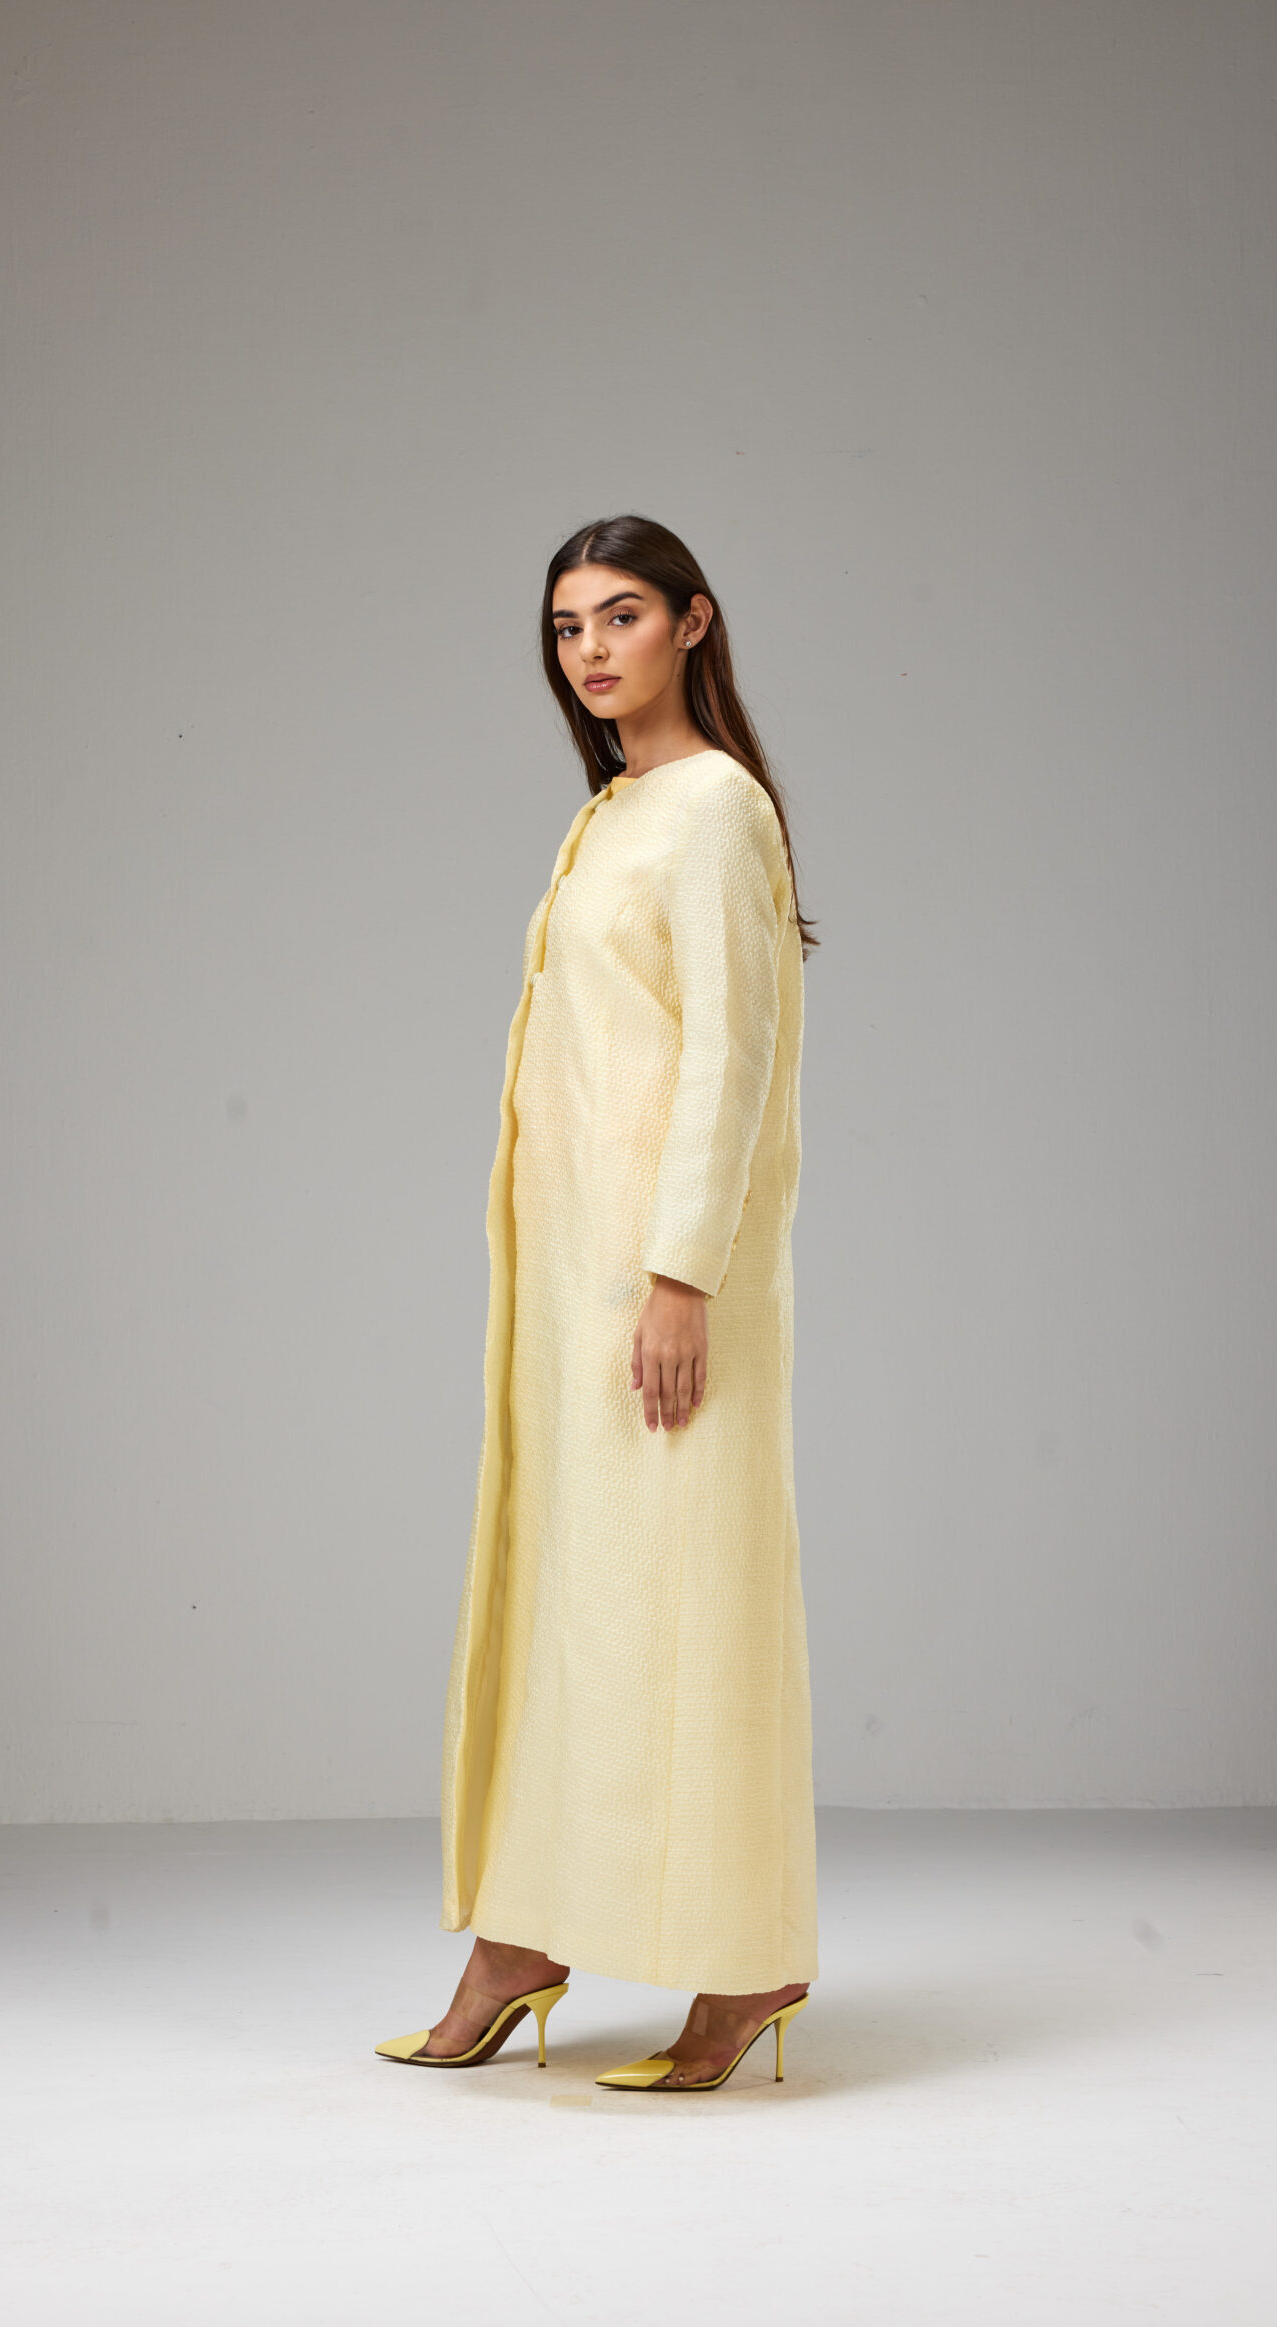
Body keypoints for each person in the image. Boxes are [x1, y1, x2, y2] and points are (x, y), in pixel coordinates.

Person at [377, 515, 819, 2091]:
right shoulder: (617, 811)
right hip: (577, 1290)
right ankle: (524, 1934)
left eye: (621, 615)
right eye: (567, 626)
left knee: (693, 1610)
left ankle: (746, 1961)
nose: (589, 650)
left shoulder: (714, 809)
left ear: (694, 623)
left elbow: (732, 1057)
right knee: (574, 1606)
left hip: (662, 1291)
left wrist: (682, 1274)